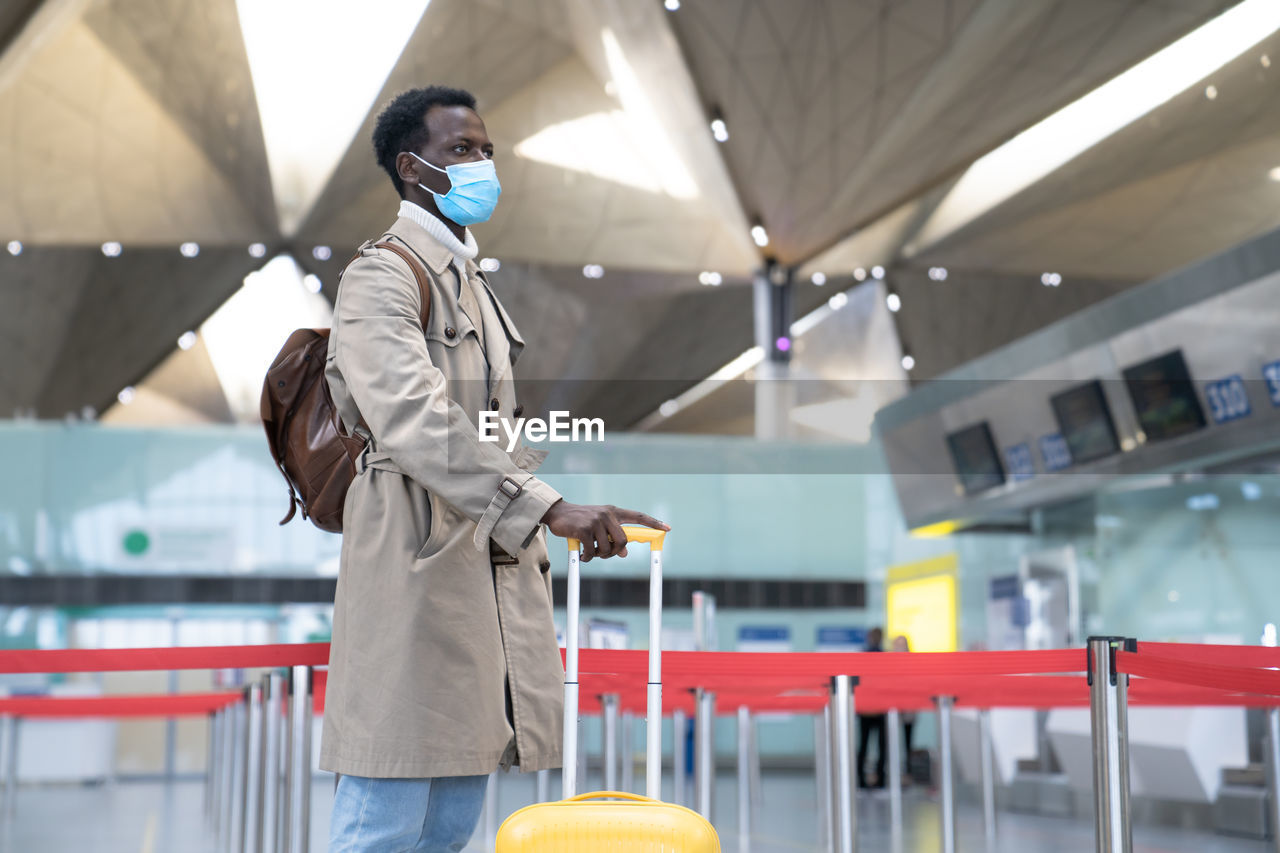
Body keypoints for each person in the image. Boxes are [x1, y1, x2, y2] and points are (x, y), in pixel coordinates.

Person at [321, 85, 667, 852]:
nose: (482, 164)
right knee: (386, 809)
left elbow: (483, 436)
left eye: (485, 149)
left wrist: (554, 505)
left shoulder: (470, 282)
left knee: (448, 821)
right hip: (412, 566)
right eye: (460, 150)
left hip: (480, 570)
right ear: (413, 168)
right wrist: (544, 507)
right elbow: (413, 419)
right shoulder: (381, 276)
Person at [856, 627, 887, 788]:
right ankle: (880, 781)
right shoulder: (883, 656)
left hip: (868, 709)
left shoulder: (863, 655)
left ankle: (861, 780)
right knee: (879, 747)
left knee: (865, 745)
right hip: (877, 709)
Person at [892, 634, 916, 783]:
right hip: (892, 708)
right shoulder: (888, 663)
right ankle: (892, 772)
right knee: (891, 741)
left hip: (908, 708)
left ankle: (907, 773)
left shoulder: (912, 663)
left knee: (908, 742)